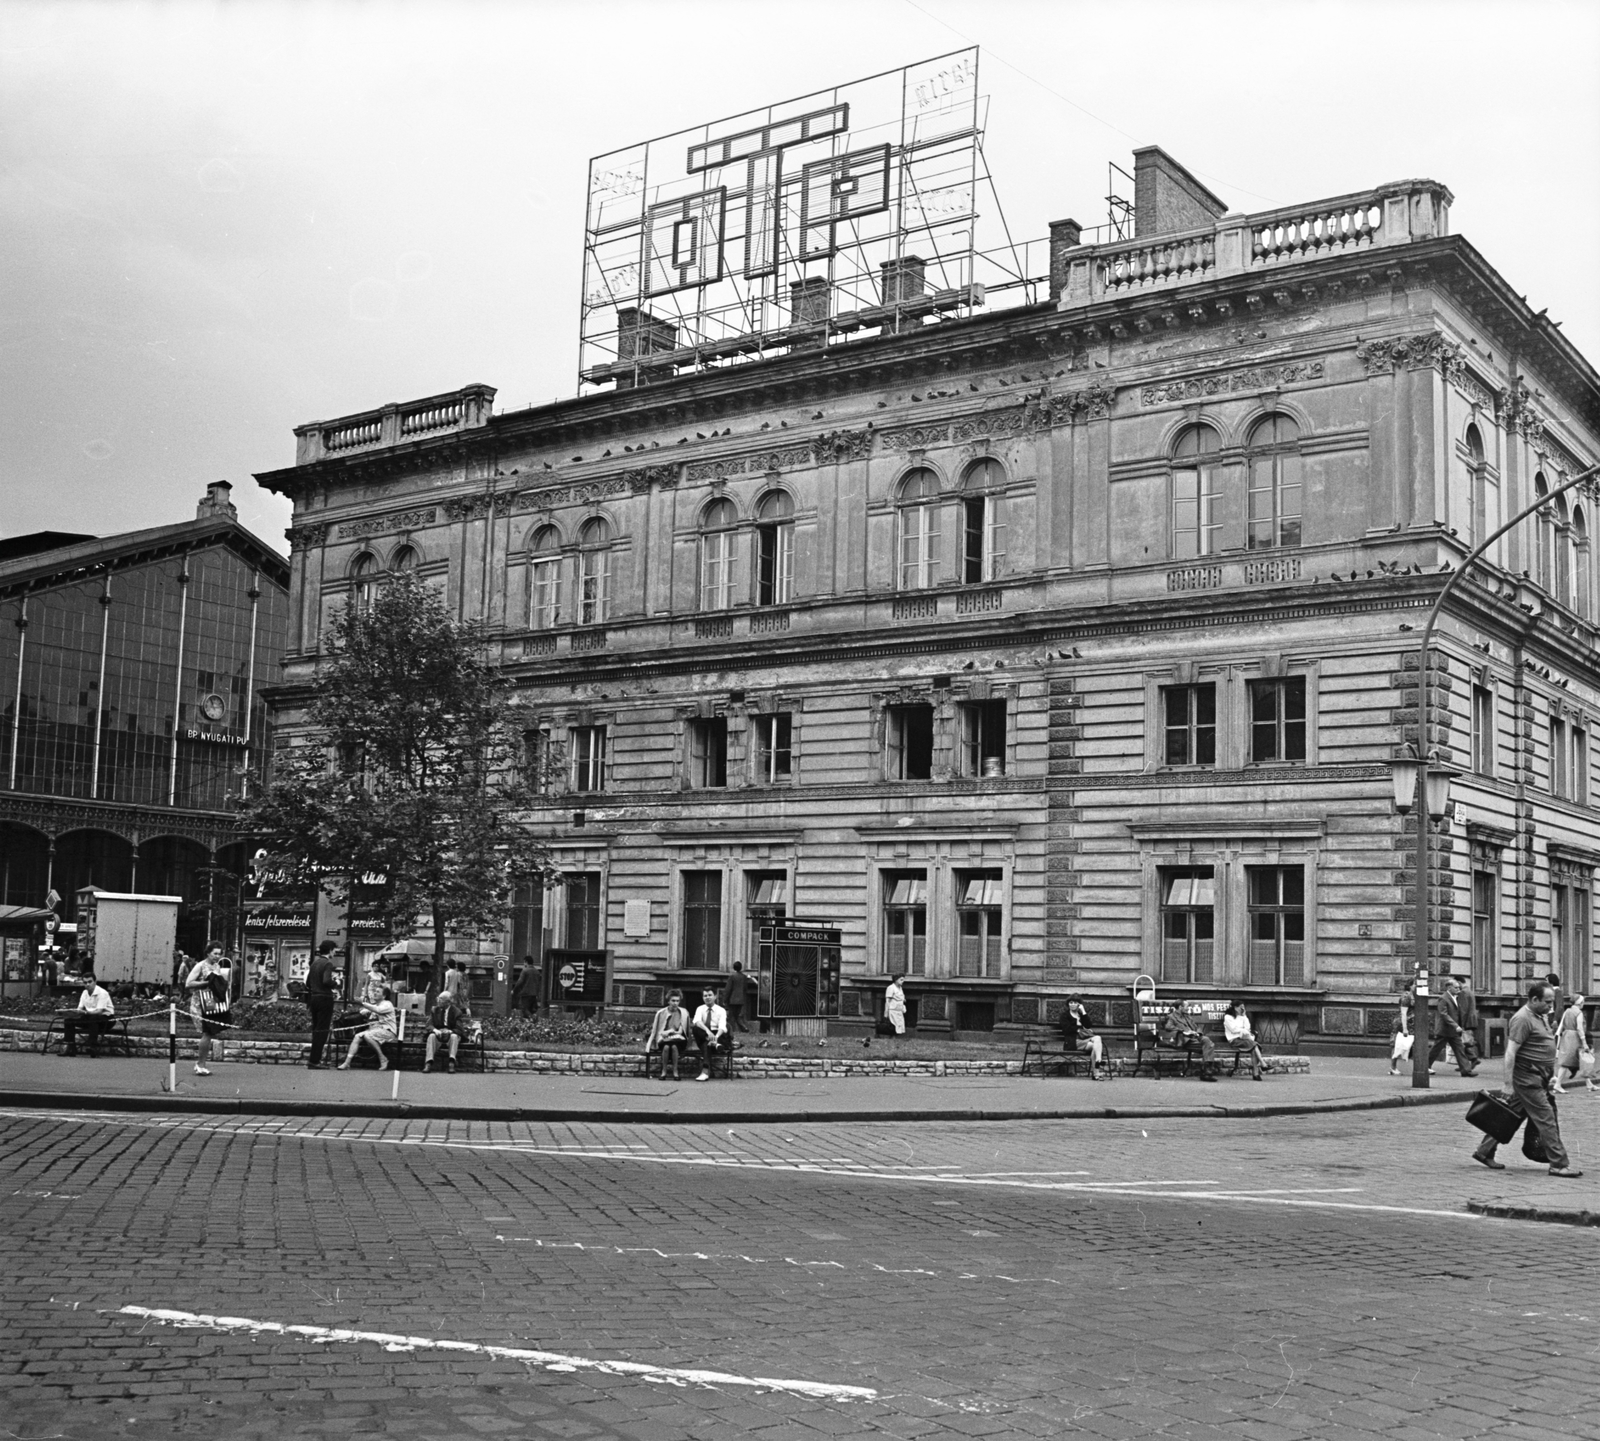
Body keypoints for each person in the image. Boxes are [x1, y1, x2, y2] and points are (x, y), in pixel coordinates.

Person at [1471, 982, 1581, 1178]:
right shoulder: (1522, 1018)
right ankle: (1558, 1164)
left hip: (1538, 1077)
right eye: (1547, 1002)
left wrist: (1550, 1072)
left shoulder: (1540, 1016)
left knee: (1509, 1114)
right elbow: (1510, 1053)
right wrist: (1507, 1084)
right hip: (1527, 1078)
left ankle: (1484, 1151)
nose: (1551, 1006)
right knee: (1546, 1118)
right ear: (1534, 999)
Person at [185, 946, 232, 1076]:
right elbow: (188, 983)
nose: (217, 956)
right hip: (199, 1003)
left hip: (211, 1002)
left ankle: (201, 1063)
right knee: (206, 1032)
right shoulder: (200, 966)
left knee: (209, 1033)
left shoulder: (216, 966)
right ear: (207, 953)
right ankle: (200, 1064)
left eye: (219, 954)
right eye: (214, 953)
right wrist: (206, 983)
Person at [1427, 978, 1479, 1078]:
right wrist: (1456, 1026)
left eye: (1459, 988)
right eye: (1456, 988)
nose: (1458, 990)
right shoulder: (1443, 998)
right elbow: (1443, 1014)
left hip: (1454, 1031)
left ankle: (1466, 1071)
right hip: (1445, 1030)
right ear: (1449, 987)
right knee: (1436, 1049)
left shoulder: (1455, 997)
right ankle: (1425, 1065)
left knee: (1460, 1050)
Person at [1157, 1001, 1217, 1081]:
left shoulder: (1187, 1016)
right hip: (1185, 1039)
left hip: (1195, 1036)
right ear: (1180, 1007)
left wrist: (1198, 1032)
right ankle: (1206, 1072)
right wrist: (1183, 1031)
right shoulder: (1171, 1017)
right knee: (1209, 1046)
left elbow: (1196, 1026)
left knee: (1206, 1040)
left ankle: (1206, 1072)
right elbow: (1168, 1027)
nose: (1188, 1008)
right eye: (1186, 1007)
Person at [337, 992, 398, 1070]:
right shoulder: (376, 1005)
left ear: (384, 996)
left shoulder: (387, 1004)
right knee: (357, 1036)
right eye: (375, 991)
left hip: (388, 1032)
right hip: (375, 1031)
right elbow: (368, 1010)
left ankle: (382, 1058)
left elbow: (378, 1010)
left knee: (367, 1035)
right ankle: (347, 1063)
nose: (375, 993)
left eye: (378, 991)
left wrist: (363, 1003)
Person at [304, 940, 340, 1069]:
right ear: (330, 950)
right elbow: (326, 981)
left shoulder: (315, 963)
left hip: (314, 998)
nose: (335, 952)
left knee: (316, 1029)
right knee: (322, 1030)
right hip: (325, 998)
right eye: (334, 950)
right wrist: (336, 984)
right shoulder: (327, 963)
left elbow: (308, 983)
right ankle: (315, 1061)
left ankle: (314, 1059)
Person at [61, 973, 115, 1057]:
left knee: (94, 1018)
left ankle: (93, 1046)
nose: (87, 984)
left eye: (90, 982)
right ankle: (70, 1047)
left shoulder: (102, 993)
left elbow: (99, 1011)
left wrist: (85, 1012)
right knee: (68, 1021)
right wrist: (71, 1013)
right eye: (85, 982)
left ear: (95, 982)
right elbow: (80, 1009)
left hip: (106, 1019)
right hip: (90, 1018)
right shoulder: (84, 993)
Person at [645, 990, 691, 1080]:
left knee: (674, 1047)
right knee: (666, 1047)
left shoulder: (684, 1012)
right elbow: (655, 1031)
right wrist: (648, 1045)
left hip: (679, 1040)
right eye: (673, 1001)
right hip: (664, 1039)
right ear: (668, 1001)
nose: (675, 1003)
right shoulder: (661, 1013)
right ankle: (664, 1071)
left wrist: (672, 1031)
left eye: (677, 1001)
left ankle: (675, 1071)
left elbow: (683, 1030)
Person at [1553, 994, 1594, 1094]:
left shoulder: (1568, 1011)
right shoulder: (1578, 1013)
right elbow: (1579, 1028)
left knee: (1580, 1060)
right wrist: (1584, 1042)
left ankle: (1589, 1084)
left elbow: (1561, 1025)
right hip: (1575, 1037)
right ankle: (1557, 1084)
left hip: (1567, 1035)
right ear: (1580, 1003)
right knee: (1568, 1062)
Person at [1060, 996, 1107, 1080]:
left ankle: (1098, 1060)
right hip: (1072, 1042)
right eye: (1071, 1002)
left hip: (1083, 1040)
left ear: (1079, 1004)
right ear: (1068, 1004)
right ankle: (1096, 1073)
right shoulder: (1064, 1015)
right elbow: (1066, 1029)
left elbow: (1088, 1025)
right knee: (1096, 1047)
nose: (1073, 1004)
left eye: (1075, 1002)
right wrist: (1078, 1029)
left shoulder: (1080, 1014)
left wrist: (1084, 1011)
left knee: (1097, 1039)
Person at [424, 991, 471, 1073]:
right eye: (438, 998)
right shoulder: (434, 1010)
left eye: (441, 999)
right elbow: (429, 1024)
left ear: (448, 1002)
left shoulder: (456, 1012)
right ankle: (428, 1063)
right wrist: (435, 1030)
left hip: (450, 1035)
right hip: (438, 1035)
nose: (438, 1001)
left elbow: (459, 1029)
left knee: (454, 1036)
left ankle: (451, 1062)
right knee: (431, 1036)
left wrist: (449, 1031)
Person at [690, 987, 729, 1082]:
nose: (707, 997)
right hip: (704, 1034)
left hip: (718, 1035)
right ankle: (713, 1043)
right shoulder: (700, 1008)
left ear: (715, 996)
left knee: (705, 1045)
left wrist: (715, 1037)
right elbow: (697, 1021)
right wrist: (708, 1032)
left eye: (710, 995)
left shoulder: (721, 1010)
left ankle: (705, 1071)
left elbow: (722, 1027)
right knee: (696, 1028)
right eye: (705, 995)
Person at [1223, 1000, 1266, 1081]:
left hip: (1244, 1039)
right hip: (1234, 1040)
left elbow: (1247, 1028)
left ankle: (1256, 1072)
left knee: (1253, 1047)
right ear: (1235, 1008)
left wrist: (1244, 1016)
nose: (1242, 1009)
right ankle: (1261, 1066)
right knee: (1254, 1045)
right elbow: (1233, 1030)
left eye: (1243, 1007)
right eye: (1240, 1007)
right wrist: (1243, 1030)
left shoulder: (1242, 1016)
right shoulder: (1228, 1017)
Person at [1457, 977, 1481, 1069]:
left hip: (1466, 1021)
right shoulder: (1469, 991)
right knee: (1465, 1041)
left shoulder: (1463, 992)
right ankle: (1466, 1062)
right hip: (1471, 1020)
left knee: (1464, 1041)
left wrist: (1461, 1024)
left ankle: (1473, 1059)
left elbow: (1463, 1009)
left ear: (1459, 982)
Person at [1390, 986, 1415, 1076]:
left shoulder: (1416, 995)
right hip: (1403, 1023)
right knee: (1397, 1044)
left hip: (1412, 1023)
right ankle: (1393, 1067)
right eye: (1415, 984)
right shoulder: (1406, 996)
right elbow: (1403, 1013)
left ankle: (1421, 1067)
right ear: (1411, 985)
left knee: (1415, 1044)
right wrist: (1405, 1028)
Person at [724, 962, 753, 1033]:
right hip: (741, 999)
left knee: (731, 1016)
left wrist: (725, 1000)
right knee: (737, 1016)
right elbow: (745, 988)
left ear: (734, 967)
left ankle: (730, 1030)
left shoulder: (732, 977)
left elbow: (728, 989)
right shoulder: (744, 977)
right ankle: (744, 1028)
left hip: (732, 999)